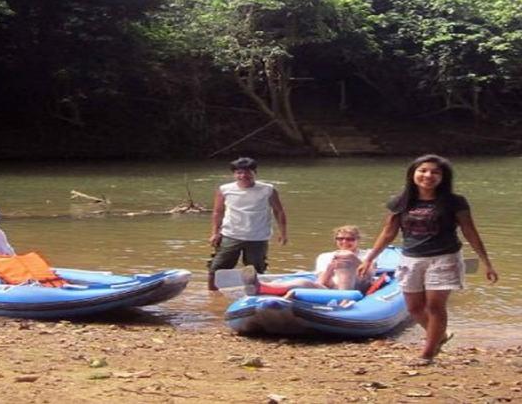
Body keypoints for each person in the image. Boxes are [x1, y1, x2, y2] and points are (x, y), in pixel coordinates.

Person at [357, 154, 499, 366]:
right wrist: (369, 258)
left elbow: (470, 231)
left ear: (443, 177)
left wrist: (486, 262)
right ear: (413, 174)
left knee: (434, 306)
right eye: (423, 171)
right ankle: (439, 335)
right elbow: (388, 232)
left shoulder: (454, 202)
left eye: (435, 172)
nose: (428, 175)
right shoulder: (401, 201)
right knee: (414, 308)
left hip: (444, 258)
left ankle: (427, 354)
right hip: (410, 259)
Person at [208, 157, 287, 290]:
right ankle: (212, 297)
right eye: (239, 172)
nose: (243, 176)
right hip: (230, 235)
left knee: (256, 271)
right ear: (234, 174)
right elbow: (218, 212)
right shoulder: (225, 189)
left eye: (247, 172)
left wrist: (283, 233)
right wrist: (215, 233)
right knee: (216, 269)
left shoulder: (268, 189)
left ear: (255, 172)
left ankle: (255, 296)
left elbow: (279, 211)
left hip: (258, 237)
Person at [246, 226, 374, 296]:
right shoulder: (325, 256)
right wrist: (330, 268)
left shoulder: (367, 255)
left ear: (358, 240)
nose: (344, 242)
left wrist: (352, 260)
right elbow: (322, 282)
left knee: (345, 258)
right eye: (340, 239)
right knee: (303, 282)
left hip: (357, 286)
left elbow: (370, 274)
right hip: (331, 289)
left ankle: (345, 297)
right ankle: (261, 287)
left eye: (350, 239)